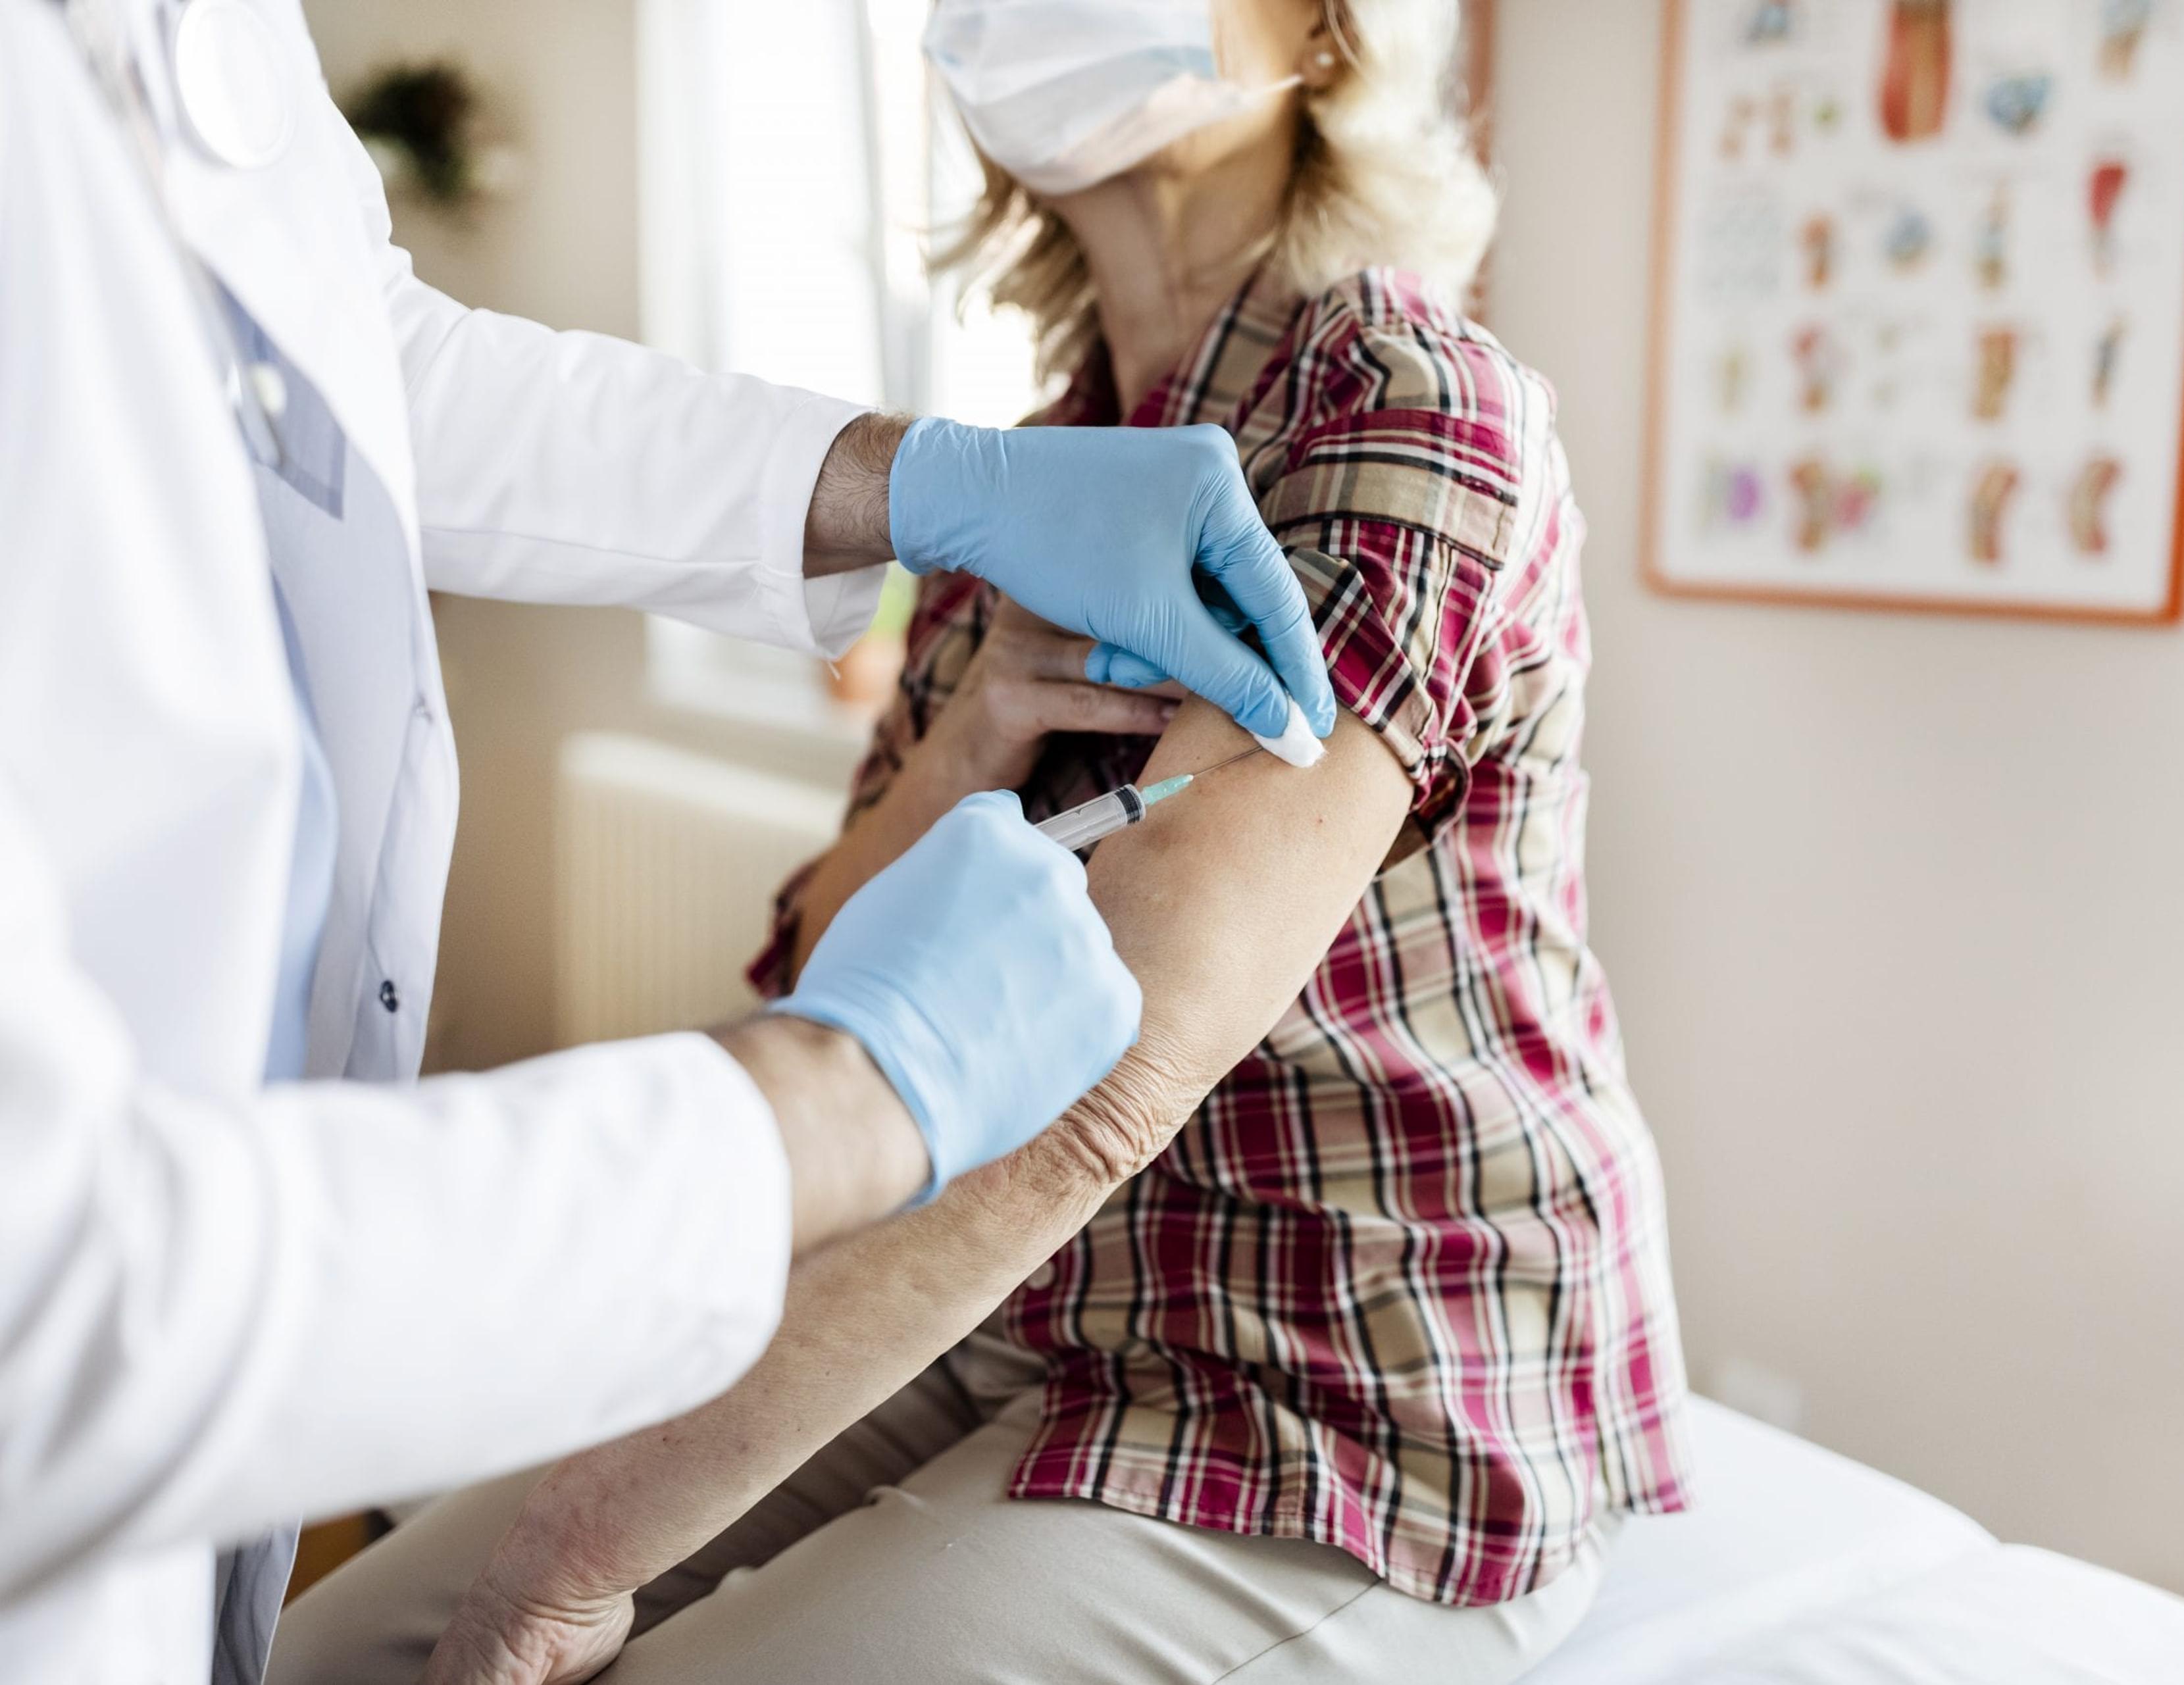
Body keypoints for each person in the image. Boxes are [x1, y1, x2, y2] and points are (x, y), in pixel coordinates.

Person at [275, 1, 1691, 1682]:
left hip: (1344, 1376)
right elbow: (826, 966)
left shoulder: (1401, 411)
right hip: (1020, 1321)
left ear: (1324, 31)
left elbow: (1110, 1088)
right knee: (331, 1661)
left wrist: (573, 1570)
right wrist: (969, 734)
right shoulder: (1028, 464)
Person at [0, 0, 1335, 1682]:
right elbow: (52, 1306)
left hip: (1259, 1402)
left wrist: (914, 480)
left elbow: (356, 363)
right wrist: (840, 1092)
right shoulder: (1080, 428)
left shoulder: (1380, 413)